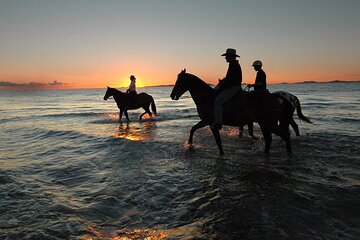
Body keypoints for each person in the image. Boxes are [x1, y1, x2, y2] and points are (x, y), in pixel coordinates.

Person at [212, 48, 243, 130]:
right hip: (234, 86)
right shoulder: (233, 64)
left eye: (226, 56)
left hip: (233, 87)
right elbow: (229, 78)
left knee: (218, 101)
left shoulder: (233, 65)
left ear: (230, 57)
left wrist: (221, 86)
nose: (225, 58)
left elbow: (230, 80)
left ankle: (218, 122)